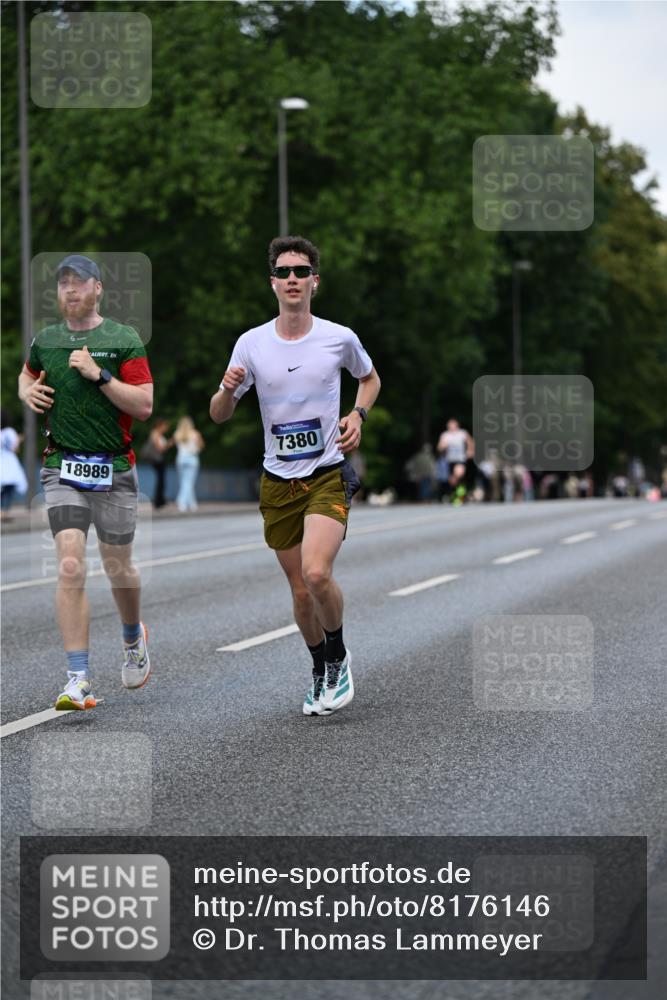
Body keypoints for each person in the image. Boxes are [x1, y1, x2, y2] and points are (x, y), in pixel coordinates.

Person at [210, 236, 380, 716]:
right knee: (301, 593)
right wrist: (224, 392)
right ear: (272, 283)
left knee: (317, 571)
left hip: (327, 473)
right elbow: (219, 414)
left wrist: (357, 416)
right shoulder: (251, 343)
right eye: (284, 272)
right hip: (277, 482)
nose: (292, 280)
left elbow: (370, 378)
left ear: (314, 282)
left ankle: (340, 655)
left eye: (301, 272)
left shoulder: (337, 337)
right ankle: (319, 665)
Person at [17, 254, 154, 711]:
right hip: (62, 467)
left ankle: (133, 636)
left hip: (114, 468)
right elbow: (27, 371)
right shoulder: (46, 340)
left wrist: (100, 375)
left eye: (79, 283)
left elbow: (144, 405)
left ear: (98, 289)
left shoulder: (122, 339)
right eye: (63, 284)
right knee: (71, 564)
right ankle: (78, 678)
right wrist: (25, 389)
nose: (69, 290)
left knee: (119, 569)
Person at [437, 418, 474, 504]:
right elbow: (439, 447)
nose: (451, 427)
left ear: (456, 425)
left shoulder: (462, 433)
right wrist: (442, 447)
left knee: (458, 474)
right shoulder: (445, 435)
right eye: (449, 425)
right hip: (450, 460)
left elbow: (470, 442)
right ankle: (459, 495)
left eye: (452, 425)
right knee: (453, 480)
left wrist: (470, 450)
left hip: (460, 459)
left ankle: (460, 496)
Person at [0, 410, 28, 520]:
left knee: (2, 489)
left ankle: (1, 511)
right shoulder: (10, 431)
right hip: (10, 463)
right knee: (9, 489)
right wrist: (19, 439)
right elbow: (14, 449)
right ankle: (5, 512)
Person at [174, 416, 204, 512]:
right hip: (192, 459)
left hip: (181, 459)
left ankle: (192, 504)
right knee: (188, 482)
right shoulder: (195, 434)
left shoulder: (177, 434)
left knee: (185, 482)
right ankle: (181, 501)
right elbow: (201, 446)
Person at [142, 417, 172, 509]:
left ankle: (160, 500)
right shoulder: (156, 434)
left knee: (161, 480)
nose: (166, 428)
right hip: (157, 460)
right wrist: (169, 444)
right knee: (160, 481)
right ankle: (158, 501)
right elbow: (160, 448)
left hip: (158, 460)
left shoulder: (156, 434)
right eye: (165, 426)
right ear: (160, 425)